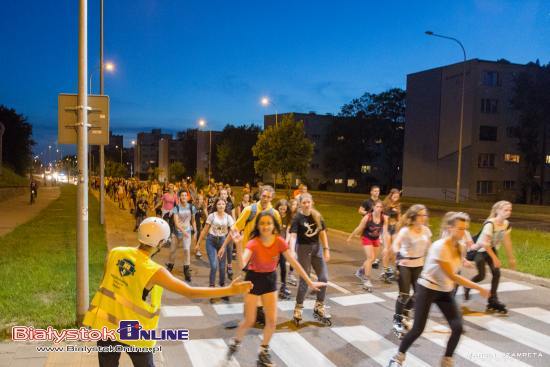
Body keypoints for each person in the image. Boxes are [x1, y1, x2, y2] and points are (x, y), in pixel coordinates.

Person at [83, 217, 252, 367]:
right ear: (161, 243)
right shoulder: (154, 270)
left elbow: (107, 282)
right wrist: (229, 289)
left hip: (106, 327)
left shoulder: (115, 253)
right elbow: (190, 292)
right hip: (135, 332)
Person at [388, 212, 490, 367]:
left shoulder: (460, 246)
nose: (463, 232)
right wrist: (477, 287)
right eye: (460, 229)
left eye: (465, 229)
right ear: (450, 228)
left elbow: (456, 263)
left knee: (457, 327)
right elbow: (452, 275)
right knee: (418, 329)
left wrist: (467, 259)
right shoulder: (439, 246)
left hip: (445, 291)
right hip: (427, 289)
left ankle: (447, 360)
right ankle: (397, 358)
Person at [226, 212, 327, 367]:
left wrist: (310, 282)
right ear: (258, 226)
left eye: (269, 223)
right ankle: (235, 342)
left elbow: (294, 262)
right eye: (262, 223)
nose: (265, 226)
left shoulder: (279, 241)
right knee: (249, 320)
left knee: (272, 321)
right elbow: (241, 265)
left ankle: (263, 352)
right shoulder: (253, 242)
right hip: (253, 280)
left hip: (270, 280)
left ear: (274, 226)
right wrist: (238, 245)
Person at [219, 185, 281, 325]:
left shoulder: (275, 214)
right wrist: (224, 246)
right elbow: (235, 229)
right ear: (260, 195)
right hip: (250, 254)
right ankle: (256, 311)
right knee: (255, 283)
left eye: (269, 197)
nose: (265, 199)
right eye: (264, 196)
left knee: (259, 284)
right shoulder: (249, 210)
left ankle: (254, 309)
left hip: (267, 255)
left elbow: (276, 235)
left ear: (272, 198)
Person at [464, 200, 516, 313]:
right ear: (498, 211)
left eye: (510, 210)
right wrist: (495, 258)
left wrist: (511, 257)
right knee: (481, 276)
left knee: (496, 273)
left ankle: (492, 300)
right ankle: (467, 286)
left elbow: (507, 241)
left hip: (491, 250)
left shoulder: (506, 224)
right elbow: (485, 244)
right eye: (505, 210)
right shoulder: (490, 224)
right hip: (481, 251)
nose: (508, 212)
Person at [289, 193, 332, 326]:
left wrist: (326, 249)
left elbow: (323, 232)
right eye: (304, 203)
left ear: (312, 202)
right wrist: (291, 250)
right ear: (300, 204)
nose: (307, 204)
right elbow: (293, 236)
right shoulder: (297, 218)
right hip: (303, 249)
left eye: (309, 202)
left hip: (317, 248)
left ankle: (319, 305)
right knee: (305, 279)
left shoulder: (317, 215)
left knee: (324, 278)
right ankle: (298, 307)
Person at [391, 204, 432, 337]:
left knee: (420, 294)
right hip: (405, 264)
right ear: (414, 216)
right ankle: (397, 319)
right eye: (421, 215)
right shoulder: (406, 231)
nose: (424, 217)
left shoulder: (426, 230)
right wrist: (400, 256)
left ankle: (406, 311)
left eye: (425, 215)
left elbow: (430, 248)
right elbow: (395, 244)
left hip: (419, 264)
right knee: (404, 294)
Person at [195, 198, 235, 301]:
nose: (221, 206)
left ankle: (222, 289)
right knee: (213, 265)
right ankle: (212, 290)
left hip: (222, 241)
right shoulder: (211, 216)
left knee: (222, 267)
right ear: (216, 206)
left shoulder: (228, 217)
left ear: (225, 206)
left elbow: (232, 232)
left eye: (223, 204)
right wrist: (198, 244)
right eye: (219, 204)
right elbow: (204, 230)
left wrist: (224, 246)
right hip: (211, 241)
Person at [347, 200, 389, 292]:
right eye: (377, 207)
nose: (379, 209)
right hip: (367, 238)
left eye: (381, 207)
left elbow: (385, 233)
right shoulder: (367, 217)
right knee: (370, 258)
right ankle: (367, 280)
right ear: (373, 207)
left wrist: (386, 247)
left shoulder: (384, 218)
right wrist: (351, 236)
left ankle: (361, 271)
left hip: (376, 239)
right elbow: (359, 228)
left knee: (373, 259)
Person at [166, 191, 196, 282]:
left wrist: (195, 231)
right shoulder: (176, 208)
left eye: (185, 195)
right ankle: (170, 266)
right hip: (177, 233)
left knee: (186, 250)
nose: (184, 197)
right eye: (182, 195)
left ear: (188, 197)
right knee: (172, 251)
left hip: (187, 232)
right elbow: (176, 223)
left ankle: (186, 268)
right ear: (179, 197)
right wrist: (184, 232)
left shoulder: (192, 207)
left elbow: (193, 221)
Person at [380, 189, 402, 282]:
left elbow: (399, 219)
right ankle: (385, 272)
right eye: (394, 196)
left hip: (395, 228)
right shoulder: (385, 205)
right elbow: (385, 221)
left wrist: (400, 228)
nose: (396, 198)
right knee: (386, 250)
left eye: (397, 197)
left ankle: (395, 271)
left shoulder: (398, 205)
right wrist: (384, 234)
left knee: (395, 251)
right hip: (387, 228)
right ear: (391, 195)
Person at [275, 199, 292, 299]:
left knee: (283, 266)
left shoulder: (288, 217)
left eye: (284, 209)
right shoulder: (274, 216)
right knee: (272, 266)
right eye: (280, 209)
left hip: (282, 246)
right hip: (274, 246)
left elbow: (288, 230)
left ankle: (283, 286)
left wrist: (286, 242)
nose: (282, 211)